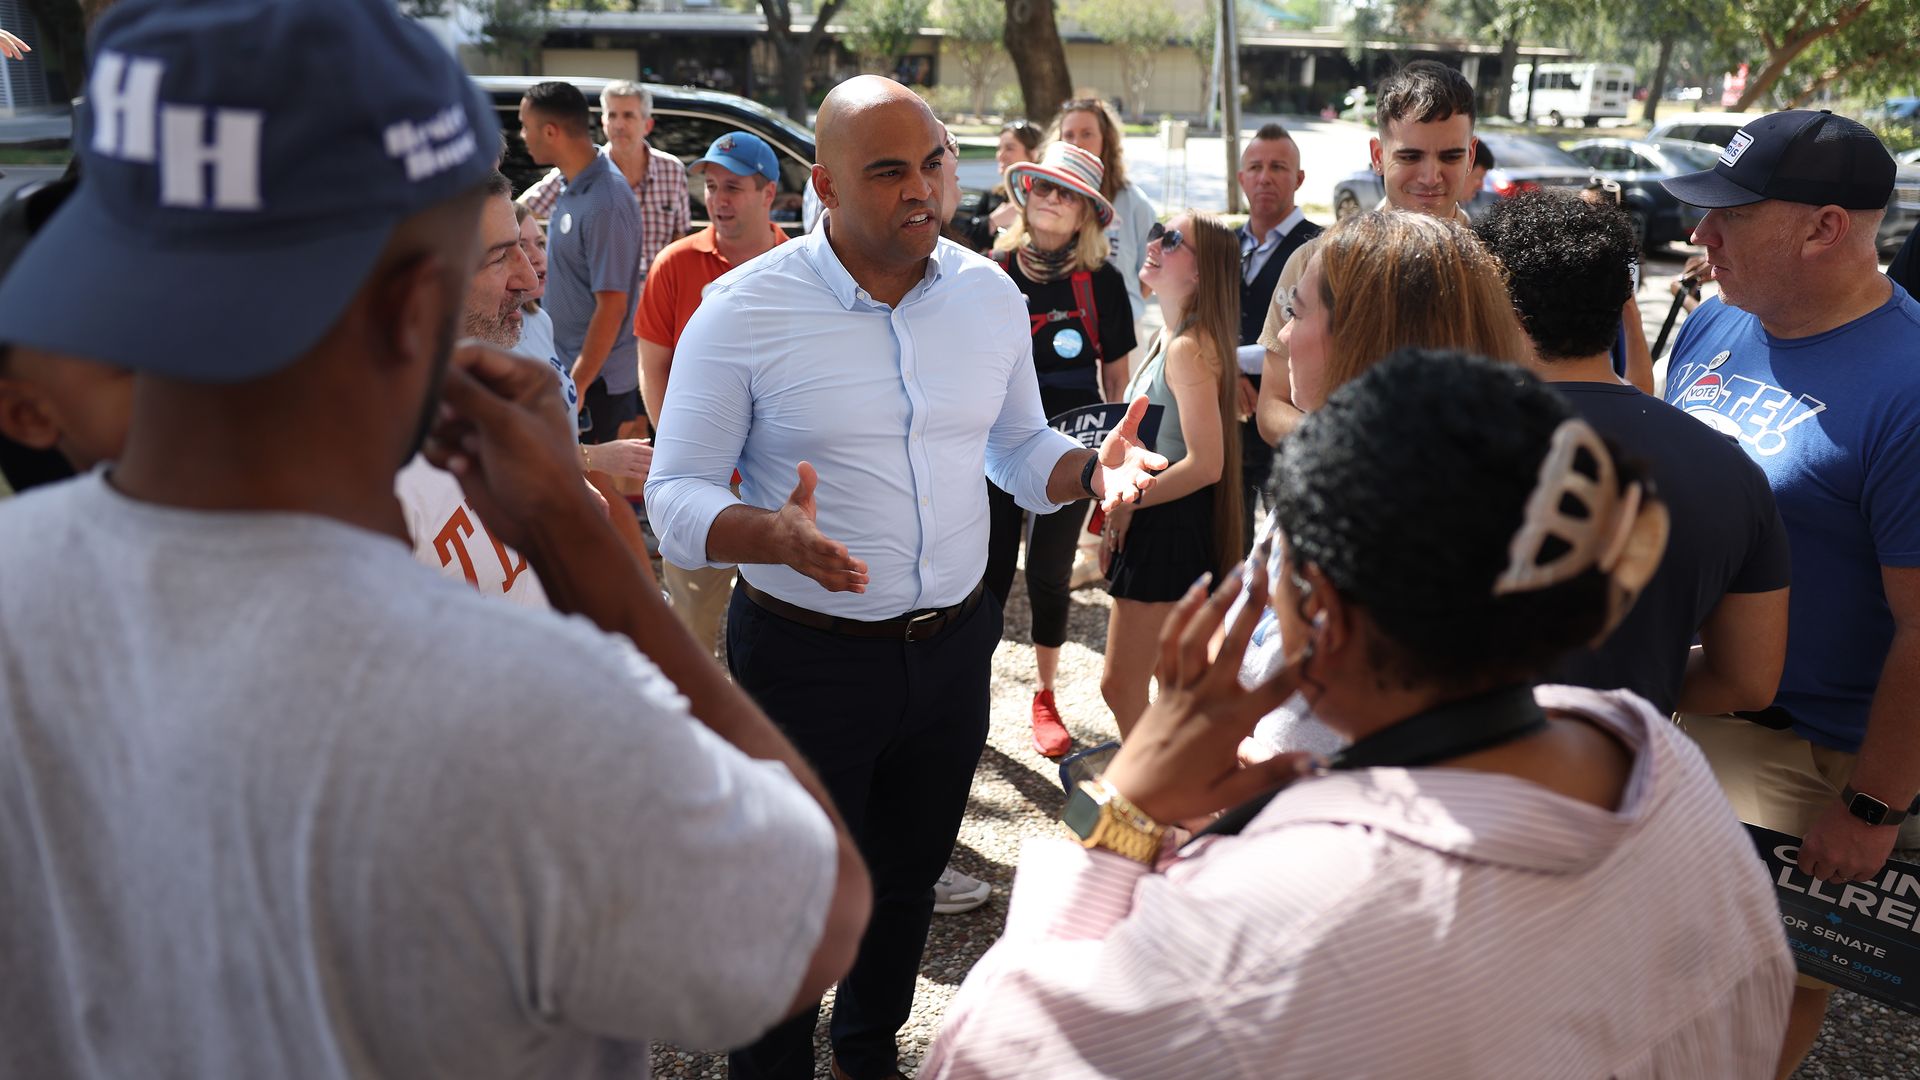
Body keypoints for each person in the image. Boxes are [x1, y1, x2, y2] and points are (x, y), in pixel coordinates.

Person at [0, 0, 872, 1073]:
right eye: (490, 259)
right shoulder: (512, 702)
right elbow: (814, 919)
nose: (519, 282)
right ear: (419, 309)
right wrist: (577, 535)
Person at [921, 350, 1794, 1079]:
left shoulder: (1264, 926)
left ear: (1320, 609)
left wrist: (1129, 799)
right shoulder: (1662, 773)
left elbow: (981, 1053)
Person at [644, 75, 1167, 1080]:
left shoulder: (985, 293)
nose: (924, 188)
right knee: (796, 895)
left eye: (934, 162)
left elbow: (1015, 448)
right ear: (826, 188)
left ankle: (868, 1046)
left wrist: (1086, 469)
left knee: (909, 877)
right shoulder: (741, 311)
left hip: (952, 646)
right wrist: (762, 532)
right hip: (804, 660)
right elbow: (673, 495)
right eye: (889, 171)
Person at [1658, 109, 1920, 1078]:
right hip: (1689, 708)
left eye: (1731, 214)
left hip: (1811, 749)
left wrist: (1873, 804)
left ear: (1826, 228)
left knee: (1747, 993)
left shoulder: (1909, 381)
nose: (1701, 236)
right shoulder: (1720, 321)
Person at [1477, 189, 1789, 715]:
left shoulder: (1439, 451)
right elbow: (1747, 682)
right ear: (1620, 303)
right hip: (1630, 775)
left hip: (1459, 781)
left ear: (1497, 304)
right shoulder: (1732, 471)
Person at [987, 141, 1137, 759]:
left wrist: (1112, 483)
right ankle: (968, 691)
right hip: (992, 447)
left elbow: (1120, 388)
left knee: (1048, 574)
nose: (1050, 199)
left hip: (1069, 457)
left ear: (1085, 215)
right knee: (987, 574)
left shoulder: (1102, 285)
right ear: (1025, 196)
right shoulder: (989, 270)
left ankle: (1044, 695)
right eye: (1043, 188)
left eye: (1066, 194)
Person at [1255, 60, 1479, 445]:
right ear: (1377, 155)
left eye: (1450, 157)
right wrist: (1360, 447)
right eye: (1410, 157)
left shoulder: (1497, 266)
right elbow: (1272, 407)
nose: (1430, 176)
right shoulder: (1315, 263)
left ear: (1471, 155)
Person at [637, 131, 787, 658]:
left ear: (769, 194)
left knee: (784, 623)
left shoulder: (805, 271)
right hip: (704, 487)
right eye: (712, 185)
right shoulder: (674, 265)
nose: (719, 200)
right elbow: (653, 368)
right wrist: (687, 461)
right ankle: (694, 731)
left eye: (734, 187)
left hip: (781, 486)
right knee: (692, 631)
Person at [1100, 211, 1243, 736]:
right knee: (1171, 684)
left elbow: (1208, 464)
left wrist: (1126, 502)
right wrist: (1121, 516)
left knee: (1120, 686)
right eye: (1158, 230)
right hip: (1159, 517)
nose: (1156, 242)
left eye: (1174, 239)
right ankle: (1179, 809)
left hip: (1171, 526)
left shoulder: (1187, 346)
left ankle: (1147, 810)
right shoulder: (1171, 334)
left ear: (1203, 272)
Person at [516, 79, 691, 345]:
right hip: (592, 317)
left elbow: (680, 240)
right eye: (612, 115)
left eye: (629, 115)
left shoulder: (672, 170)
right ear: (602, 122)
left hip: (656, 310)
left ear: (648, 124)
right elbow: (520, 212)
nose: (619, 124)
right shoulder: (576, 170)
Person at [1232, 123, 1321, 549]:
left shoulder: (1321, 250)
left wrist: (1228, 359)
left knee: (1288, 551)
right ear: (1241, 177)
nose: (1265, 176)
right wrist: (1225, 373)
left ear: (1299, 179)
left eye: (1278, 167)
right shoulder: (1226, 247)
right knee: (1227, 553)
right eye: (1256, 166)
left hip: (1289, 420)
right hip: (1224, 422)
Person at [1052, 98, 1157, 331]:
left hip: (1122, 329)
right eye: (1068, 135)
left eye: (1087, 134)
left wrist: (1120, 310)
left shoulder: (1133, 202)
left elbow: (1149, 270)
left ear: (1106, 141)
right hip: (1064, 329)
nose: (1077, 143)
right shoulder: (1046, 198)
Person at [1576, 176, 1656, 394]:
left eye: (1591, 208)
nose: (1583, 214)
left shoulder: (1622, 254)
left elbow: (1628, 302)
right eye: (1580, 206)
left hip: (1611, 329)